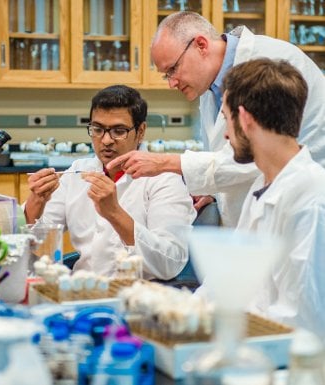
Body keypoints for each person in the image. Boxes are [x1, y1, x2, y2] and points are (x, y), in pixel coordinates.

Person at [107, 11, 325, 228]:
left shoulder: (269, 63)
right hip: (261, 208)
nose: (171, 83)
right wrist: (213, 192)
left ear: (201, 45)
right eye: (166, 75)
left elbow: (261, 152)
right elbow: (225, 152)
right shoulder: (210, 83)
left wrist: (167, 162)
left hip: (296, 204)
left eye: (173, 69)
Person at [24, 85, 196, 280]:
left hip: (138, 298)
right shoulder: (76, 173)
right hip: (81, 292)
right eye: (97, 129)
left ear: (140, 131)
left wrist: (114, 212)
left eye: (118, 131)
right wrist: (35, 204)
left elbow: (169, 263)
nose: (106, 140)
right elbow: (36, 244)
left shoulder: (164, 179)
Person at [219, 58, 325, 337]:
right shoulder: (263, 186)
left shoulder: (312, 198)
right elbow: (230, 283)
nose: (226, 134)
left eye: (225, 119)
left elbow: (303, 321)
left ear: (245, 119)